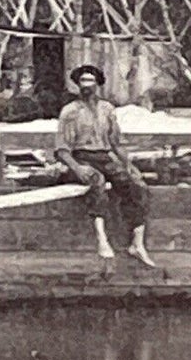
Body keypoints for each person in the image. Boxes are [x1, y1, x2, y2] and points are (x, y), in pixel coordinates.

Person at [54, 64, 155, 265]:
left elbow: (115, 142)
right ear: (77, 84)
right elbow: (62, 149)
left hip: (105, 157)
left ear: (98, 84)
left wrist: (129, 165)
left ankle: (137, 243)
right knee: (96, 181)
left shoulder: (107, 109)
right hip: (81, 157)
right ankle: (102, 239)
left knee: (135, 185)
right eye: (83, 81)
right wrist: (77, 168)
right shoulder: (70, 111)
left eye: (91, 81)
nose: (87, 85)